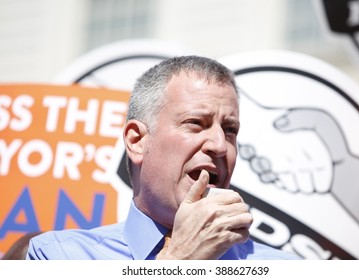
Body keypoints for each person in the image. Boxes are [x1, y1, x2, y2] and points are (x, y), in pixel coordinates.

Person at [26, 55, 299, 260]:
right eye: (196, 123)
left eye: (230, 130)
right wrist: (180, 260)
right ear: (137, 141)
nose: (219, 145)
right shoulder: (60, 256)